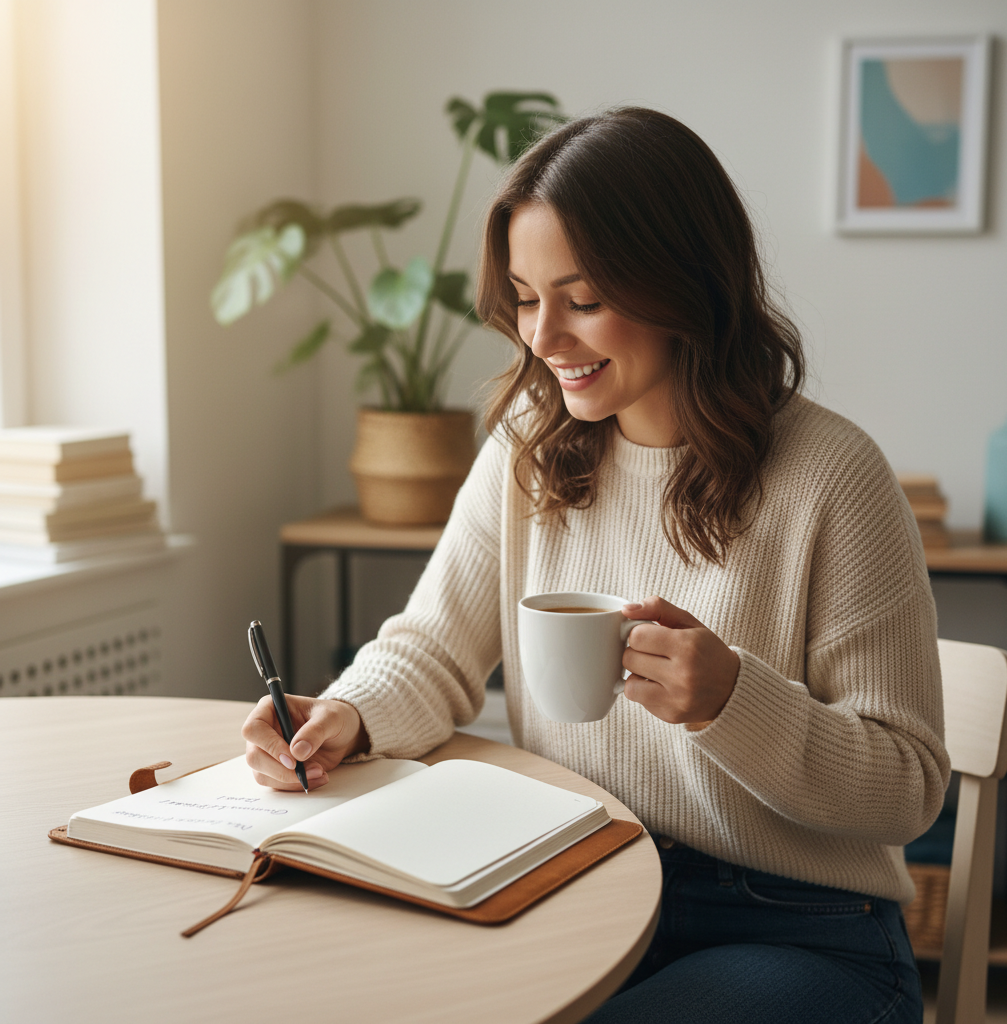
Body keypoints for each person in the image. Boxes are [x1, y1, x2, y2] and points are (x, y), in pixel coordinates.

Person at [242, 107, 948, 1023]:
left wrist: (734, 701)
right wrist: (346, 714)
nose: (543, 339)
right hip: (582, 884)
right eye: (525, 299)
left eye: (581, 301)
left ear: (684, 285)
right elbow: (434, 646)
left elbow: (908, 787)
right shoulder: (529, 447)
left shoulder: (832, 477)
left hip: (796, 927)